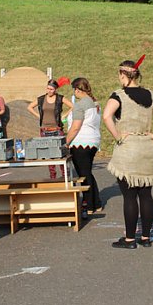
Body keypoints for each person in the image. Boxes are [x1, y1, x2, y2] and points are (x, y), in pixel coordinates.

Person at [103, 58, 153, 249]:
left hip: (128, 148)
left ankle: (129, 239)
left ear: (123, 75)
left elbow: (106, 116)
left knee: (129, 196)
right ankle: (145, 237)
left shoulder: (118, 95)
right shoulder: (150, 95)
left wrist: (117, 135)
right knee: (146, 195)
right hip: (146, 147)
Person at [65, 77, 102, 214]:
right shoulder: (94, 103)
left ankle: (89, 204)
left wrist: (66, 142)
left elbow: (75, 127)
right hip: (93, 142)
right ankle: (96, 202)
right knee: (87, 172)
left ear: (77, 89)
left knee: (83, 174)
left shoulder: (80, 105)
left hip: (80, 142)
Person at [28, 80, 73, 179]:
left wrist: (64, 115)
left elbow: (73, 106)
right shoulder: (41, 99)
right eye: (48, 88)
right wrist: (39, 116)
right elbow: (30, 107)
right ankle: (52, 176)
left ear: (55, 89)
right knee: (49, 154)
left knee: (60, 152)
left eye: (51, 89)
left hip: (57, 128)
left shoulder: (60, 98)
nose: (49, 91)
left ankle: (65, 175)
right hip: (45, 129)